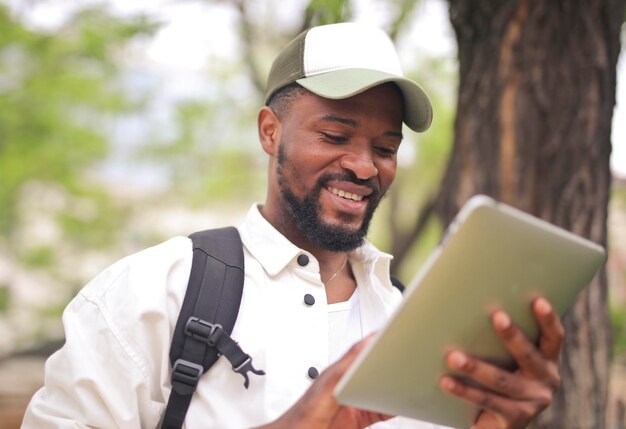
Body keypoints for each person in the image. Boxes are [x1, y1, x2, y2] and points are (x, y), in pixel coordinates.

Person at [22, 22, 562, 429]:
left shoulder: (412, 325)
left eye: (386, 147)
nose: (365, 166)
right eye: (334, 135)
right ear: (269, 131)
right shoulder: (150, 294)